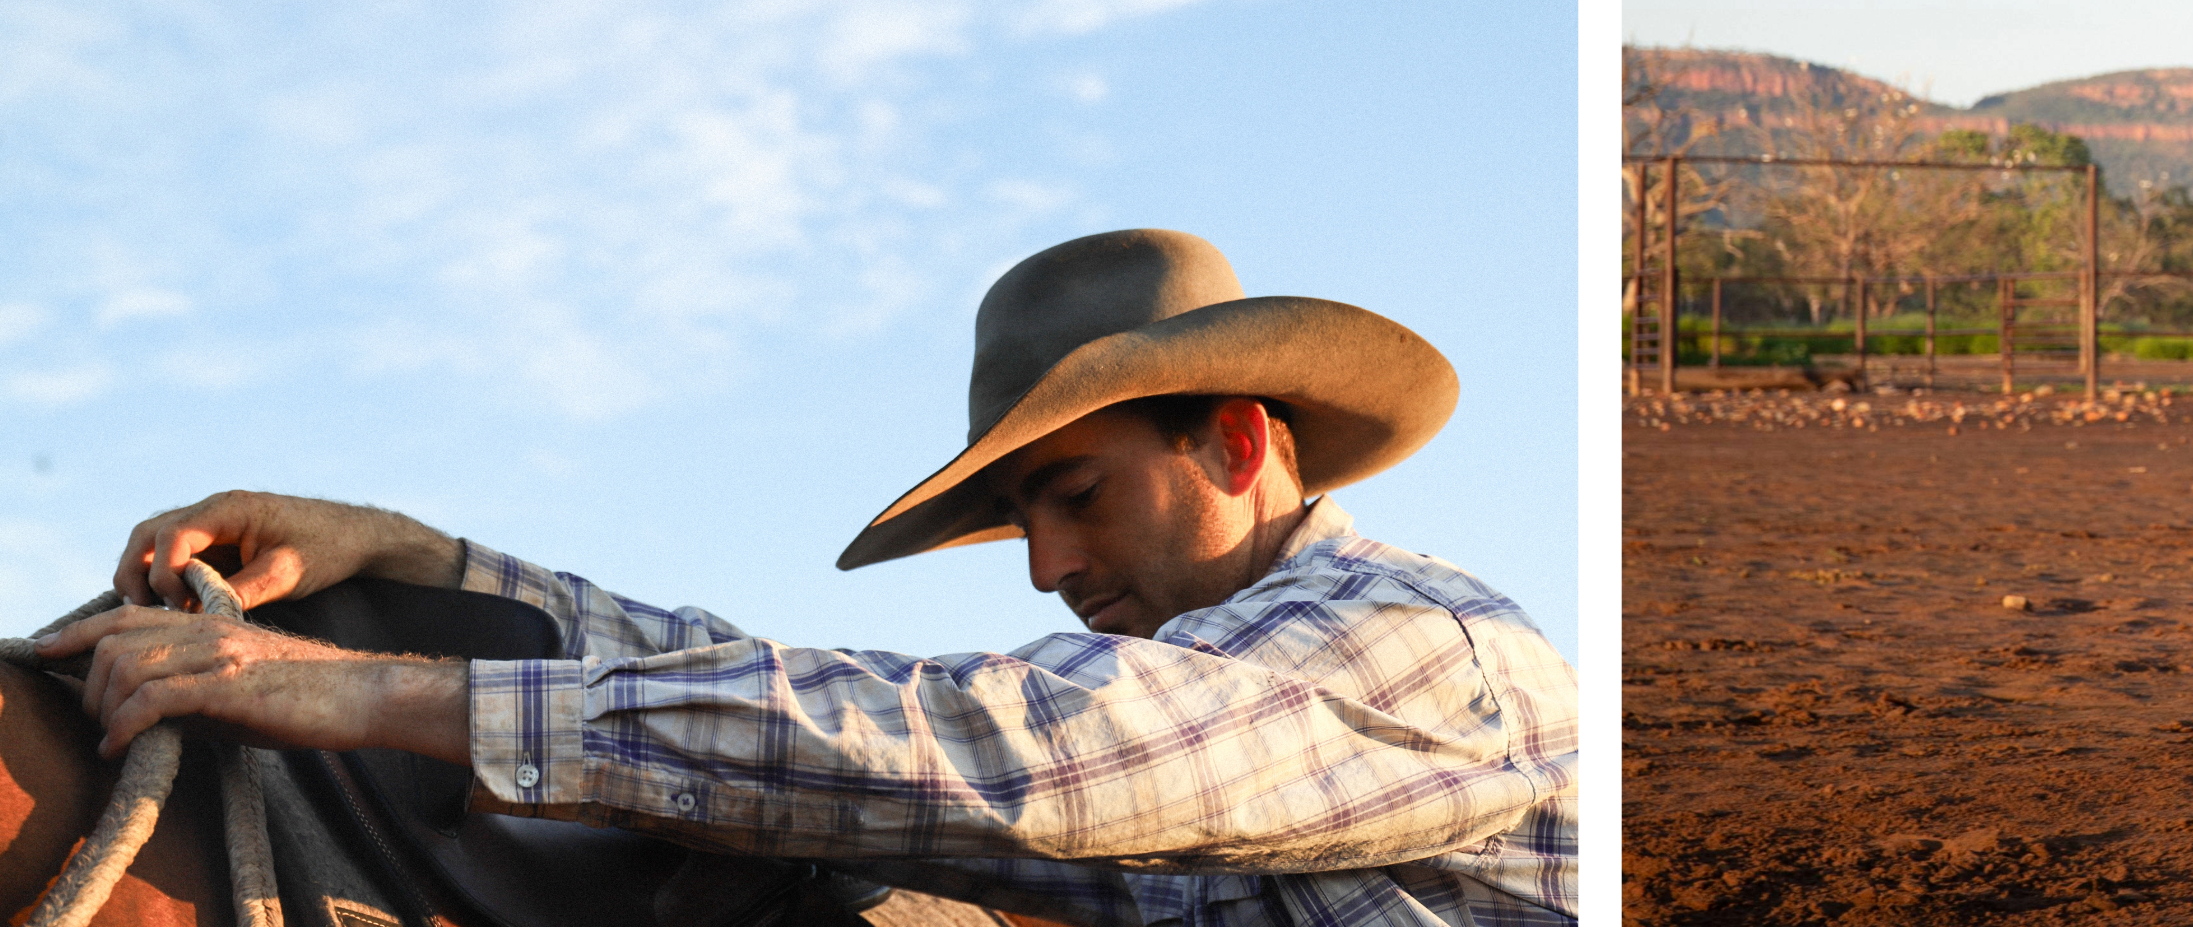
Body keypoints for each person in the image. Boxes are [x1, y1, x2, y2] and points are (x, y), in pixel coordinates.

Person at [40, 230, 1577, 924]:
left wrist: (385, 692)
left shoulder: (1416, 646)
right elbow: (806, 708)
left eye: (1077, 497)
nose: (1045, 568)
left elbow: (1006, 754)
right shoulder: (1233, 691)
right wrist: (429, 563)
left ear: (1240, 441)